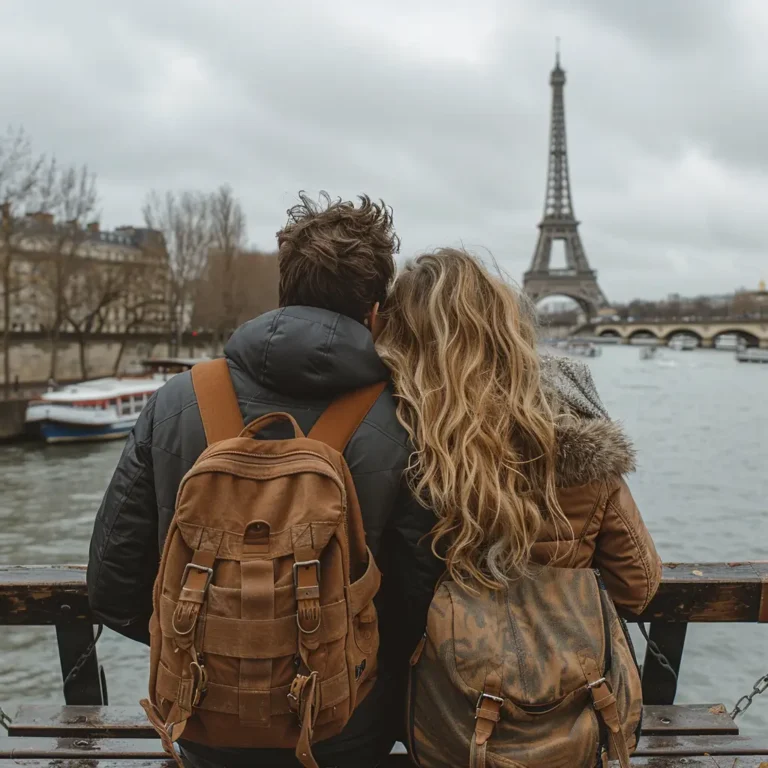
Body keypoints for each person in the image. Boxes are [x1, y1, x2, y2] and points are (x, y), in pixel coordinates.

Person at [87, 193, 440, 768]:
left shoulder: (177, 400)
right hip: (344, 727)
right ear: (376, 312)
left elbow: (112, 584)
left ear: (283, 295)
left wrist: (216, 653)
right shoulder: (407, 418)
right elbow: (420, 599)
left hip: (201, 721)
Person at [376, 247, 661, 619]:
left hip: (440, 666)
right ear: (506, 325)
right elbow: (637, 589)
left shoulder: (387, 433)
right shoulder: (575, 434)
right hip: (565, 667)